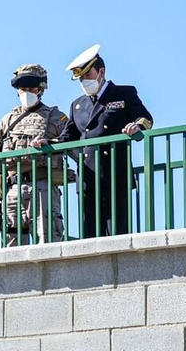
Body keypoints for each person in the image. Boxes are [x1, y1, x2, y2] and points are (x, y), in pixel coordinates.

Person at [65, 45, 152, 238]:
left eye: (88, 75)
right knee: (89, 238)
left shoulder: (123, 93)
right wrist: (46, 142)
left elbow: (145, 119)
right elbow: (67, 138)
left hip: (114, 174)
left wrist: (136, 127)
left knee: (117, 236)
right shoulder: (77, 105)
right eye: (81, 78)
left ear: (101, 72)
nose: (84, 81)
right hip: (88, 178)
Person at [0, 64, 74, 246]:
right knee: (12, 244)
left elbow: (72, 143)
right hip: (12, 189)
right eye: (22, 87)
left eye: (31, 87)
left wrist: (51, 143)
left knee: (48, 240)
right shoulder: (7, 120)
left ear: (40, 88)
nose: (26, 91)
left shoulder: (56, 117)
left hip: (43, 186)